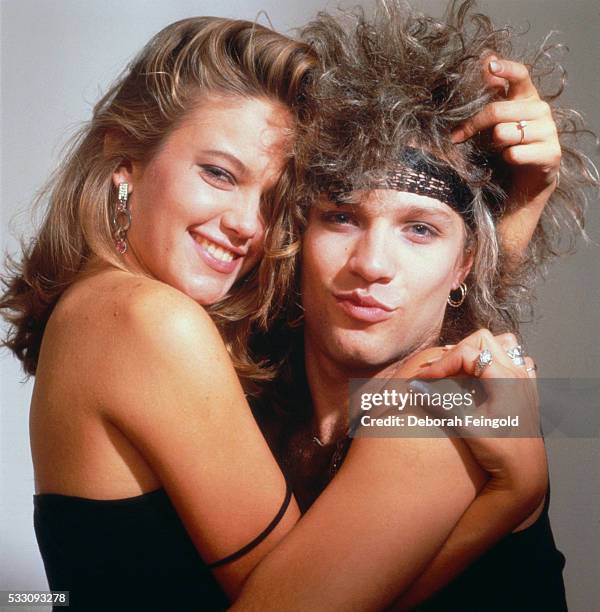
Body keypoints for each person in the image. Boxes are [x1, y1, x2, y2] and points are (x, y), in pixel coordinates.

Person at [0, 4, 591, 611]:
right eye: (339, 216)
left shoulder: (439, 402)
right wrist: (511, 495)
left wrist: (518, 210)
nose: (243, 225)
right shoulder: (153, 324)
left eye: (420, 230)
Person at [231, 2, 596, 609]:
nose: (372, 263)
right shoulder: (260, 390)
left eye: (419, 230)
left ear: (465, 265)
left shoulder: (454, 404)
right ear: (297, 232)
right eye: (342, 217)